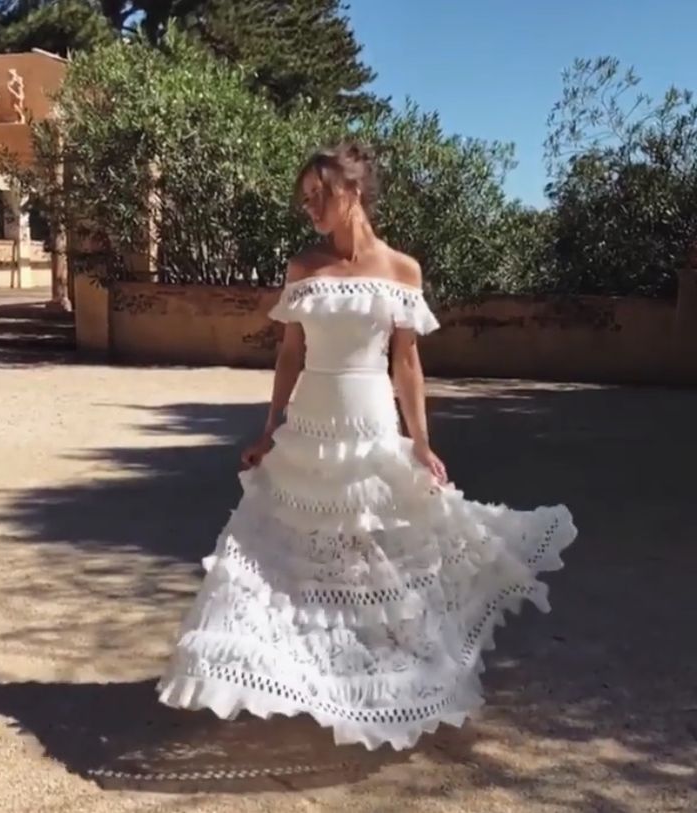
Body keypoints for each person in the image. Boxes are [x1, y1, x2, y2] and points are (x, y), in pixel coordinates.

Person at [157, 143, 577, 751]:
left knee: (377, 557)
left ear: (352, 191)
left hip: (373, 424)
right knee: (278, 556)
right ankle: (305, 678)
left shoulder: (403, 271)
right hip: (310, 428)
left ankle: (383, 686)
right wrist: (268, 429)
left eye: (318, 196)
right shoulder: (303, 268)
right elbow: (290, 353)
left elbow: (407, 362)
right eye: (304, 200)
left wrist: (421, 443)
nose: (310, 209)